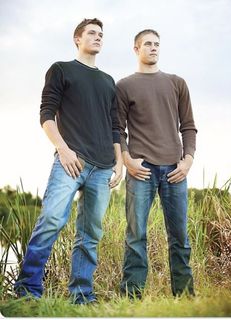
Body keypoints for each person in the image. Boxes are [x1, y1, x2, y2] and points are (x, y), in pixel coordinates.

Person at [14, 18, 122, 305]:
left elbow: (115, 126)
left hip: (102, 168)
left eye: (101, 34)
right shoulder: (61, 69)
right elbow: (46, 115)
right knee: (51, 220)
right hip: (70, 161)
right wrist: (63, 149)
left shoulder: (108, 81)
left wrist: (119, 162)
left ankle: (82, 295)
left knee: (91, 234)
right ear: (77, 38)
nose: (98, 37)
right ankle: (27, 292)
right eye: (92, 33)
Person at [117, 29, 197, 298]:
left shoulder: (177, 83)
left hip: (175, 170)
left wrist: (187, 161)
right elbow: (117, 129)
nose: (153, 48)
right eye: (147, 44)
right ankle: (131, 298)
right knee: (136, 236)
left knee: (180, 238)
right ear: (136, 48)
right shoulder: (124, 85)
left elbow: (188, 126)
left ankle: (185, 298)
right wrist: (127, 160)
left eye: (157, 44)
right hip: (141, 171)